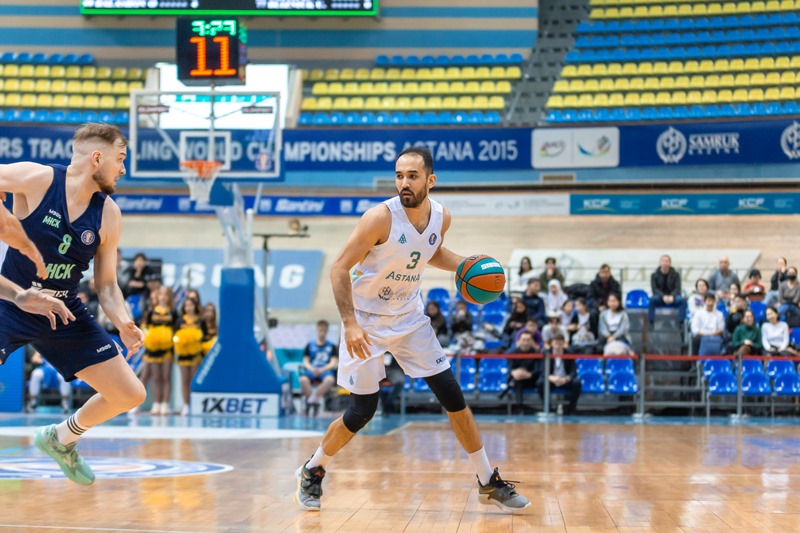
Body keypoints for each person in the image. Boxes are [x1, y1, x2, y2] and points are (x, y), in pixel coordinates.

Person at [294, 146, 530, 513]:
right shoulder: (379, 218)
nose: (404, 182)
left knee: (452, 396)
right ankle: (313, 469)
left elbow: (428, 250)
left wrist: (465, 265)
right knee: (361, 412)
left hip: (409, 319)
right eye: (399, 176)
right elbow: (339, 268)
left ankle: (487, 480)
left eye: (413, 176)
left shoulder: (441, 218)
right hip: (366, 322)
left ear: (430, 180)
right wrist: (350, 324)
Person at [0, 123, 146, 485]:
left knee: (130, 393)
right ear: (97, 158)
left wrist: (123, 321)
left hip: (62, 309)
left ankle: (61, 438)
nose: (123, 169)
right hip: (12, 301)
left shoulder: (108, 214)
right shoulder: (38, 179)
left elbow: (106, 285)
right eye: (120, 159)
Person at [141, 285, 177, 415]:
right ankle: (156, 403)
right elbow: (144, 327)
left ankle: (165, 404)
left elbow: (176, 329)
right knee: (155, 377)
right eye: (161, 294)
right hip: (153, 348)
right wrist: (149, 337)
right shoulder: (151, 312)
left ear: (169, 297)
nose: (163, 297)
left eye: (166, 294)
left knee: (166, 376)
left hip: (167, 349)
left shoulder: (173, 313)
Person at [173, 296, 206, 416]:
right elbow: (175, 336)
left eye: (191, 305)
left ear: (195, 306)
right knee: (185, 380)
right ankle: (186, 404)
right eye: (186, 305)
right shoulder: (180, 321)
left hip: (196, 355)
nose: (189, 308)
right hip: (183, 355)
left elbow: (205, 336)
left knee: (194, 379)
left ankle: (195, 404)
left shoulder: (200, 321)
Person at [299, 319, 339, 417]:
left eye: (324, 330)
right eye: (321, 330)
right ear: (317, 330)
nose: (322, 332)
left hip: (325, 370)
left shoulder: (332, 346)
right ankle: (315, 401)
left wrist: (322, 370)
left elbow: (333, 363)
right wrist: (312, 369)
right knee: (303, 379)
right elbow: (305, 362)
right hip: (312, 369)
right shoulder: (310, 345)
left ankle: (312, 400)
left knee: (330, 380)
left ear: (327, 331)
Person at [536, 334, 581, 415]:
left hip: (565, 380)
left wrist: (566, 379)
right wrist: (552, 378)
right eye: (556, 343)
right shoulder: (546, 353)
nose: (558, 345)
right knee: (540, 383)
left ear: (563, 343)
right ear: (551, 344)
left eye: (560, 343)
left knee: (577, 383)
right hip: (552, 380)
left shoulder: (569, 354)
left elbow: (573, 372)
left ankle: (571, 409)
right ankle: (548, 408)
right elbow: (543, 371)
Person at [504, 330, 541, 410]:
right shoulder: (512, 353)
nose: (526, 342)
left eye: (528, 340)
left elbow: (537, 370)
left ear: (532, 341)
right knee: (518, 380)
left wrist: (528, 374)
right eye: (524, 340)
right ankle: (519, 407)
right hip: (517, 378)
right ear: (519, 341)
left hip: (531, 379)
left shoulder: (536, 353)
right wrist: (516, 373)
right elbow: (510, 368)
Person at [648, 254, 686, 324]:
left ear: (670, 263)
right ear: (660, 263)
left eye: (667, 261)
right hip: (660, 297)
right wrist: (663, 296)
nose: (665, 263)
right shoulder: (654, 275)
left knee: (682, 300)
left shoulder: (676, 275)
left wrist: (672, 296)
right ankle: (651, 322)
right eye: (663, 261)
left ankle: (681, 323)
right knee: (652, 300)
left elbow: (677, 288)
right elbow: (655, 289)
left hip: (673, 297)